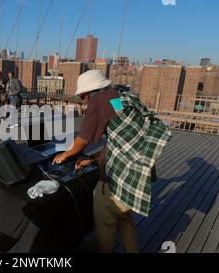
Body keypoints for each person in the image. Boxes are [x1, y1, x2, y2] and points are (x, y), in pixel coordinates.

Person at [52, 70, 170, 253]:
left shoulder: (98, 101)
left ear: (88, 92)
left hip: (113, 183)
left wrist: (64, 155)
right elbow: (116, 141)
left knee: (105, 228)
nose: (84, 101)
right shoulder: (121, 98)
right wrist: (90, 159)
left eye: (83, 96)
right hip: (132, 181)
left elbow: (82, 140)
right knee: (125, 221)